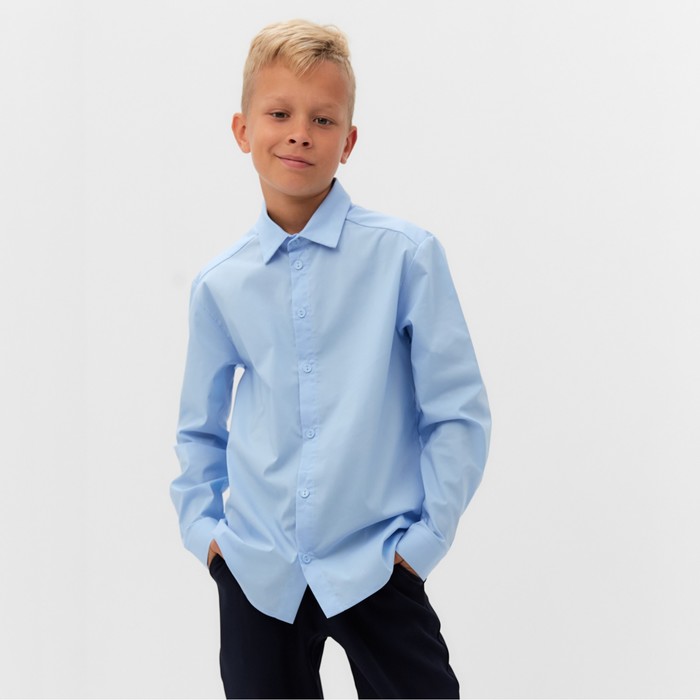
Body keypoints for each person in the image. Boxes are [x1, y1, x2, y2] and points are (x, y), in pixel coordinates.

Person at [170, 18, 491, 699]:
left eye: (322, 119)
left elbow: (457, 412)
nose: (300, 133)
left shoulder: (405, 257)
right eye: (279, 113)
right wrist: (207, 536)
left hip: (376, 560)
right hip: (259, 568)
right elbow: (199, 428)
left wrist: (423, 543)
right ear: (242, 130)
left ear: (348, 142)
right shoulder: (221, 284)